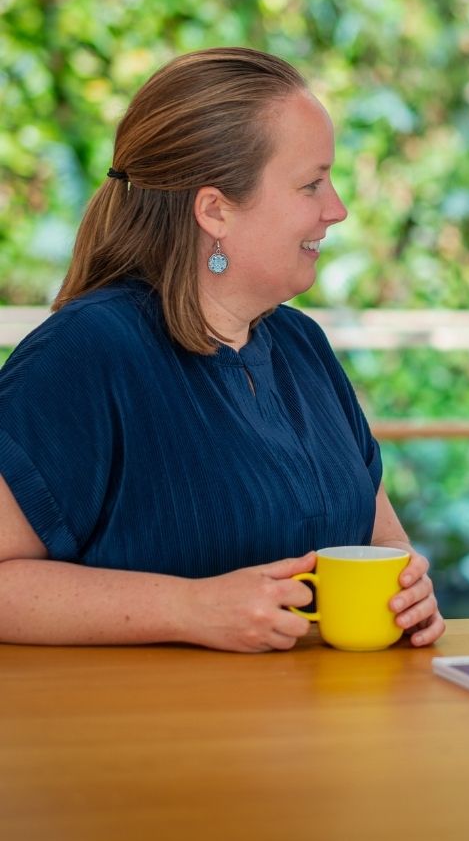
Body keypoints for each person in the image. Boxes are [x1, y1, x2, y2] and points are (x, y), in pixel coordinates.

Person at [0, 47, 444, 652]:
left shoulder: (302, 346)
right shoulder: (85, 354)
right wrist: (188, 608)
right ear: (215, 211)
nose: (336, 210)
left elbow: (385, 543)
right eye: (311, 183)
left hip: (322, 734)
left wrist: (408, 589)